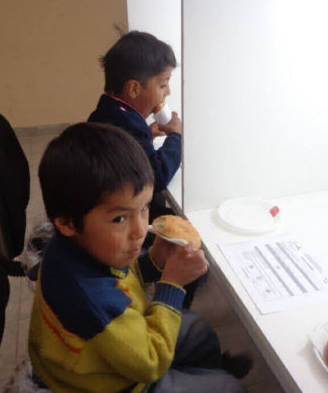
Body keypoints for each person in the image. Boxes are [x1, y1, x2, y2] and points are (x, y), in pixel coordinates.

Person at [29, 123, 249, 393]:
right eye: (120, 218)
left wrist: (153, 260)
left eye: (144, 207)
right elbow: (149, 364)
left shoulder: (82, 247)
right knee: (229, 388)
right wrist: (172, 284)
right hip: (111, 383)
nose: (139, 231)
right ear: (67, 223)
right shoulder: (91, 302)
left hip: (120, 343)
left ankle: (203, 374)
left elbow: (121, 280)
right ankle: (212, 381)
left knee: (197, 329)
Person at [87, 30, 181, 219]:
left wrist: (147, 132)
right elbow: (157, 177)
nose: (168, 92)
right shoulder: (129, 127)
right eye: (163, 84)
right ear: (134, 89)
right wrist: (176, 137)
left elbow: (127, 145)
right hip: (125, 216)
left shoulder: (108, 109)